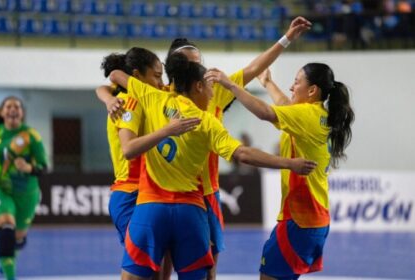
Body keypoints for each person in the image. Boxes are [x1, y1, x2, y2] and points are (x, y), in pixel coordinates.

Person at [109, 52, 317, 280]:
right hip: (190, 213)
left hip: (150, 209)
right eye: (209, 88)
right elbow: (244, 154)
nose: (212, 95)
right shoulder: (206, 121)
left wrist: (109, 99)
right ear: (198, 86)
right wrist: (289, 163)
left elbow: (117, 74)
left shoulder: (152, 96)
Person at [161, 17, 311, 280]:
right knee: (164, 263)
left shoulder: (213, 90)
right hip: (167, 193)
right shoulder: (160, 95)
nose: (200, 68)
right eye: (193, 64)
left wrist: (286, 38)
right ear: (176, 68)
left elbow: (254, 68)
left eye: (200, 62)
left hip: (207, 194)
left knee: (208, 267)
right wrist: (106, 96)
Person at [205, 52, 354, 279]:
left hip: (300, 219)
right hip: (314, 218)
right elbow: (285, 106)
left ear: (312, 91)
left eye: (297, 82)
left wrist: (230, 85)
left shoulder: (307, 115)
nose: (292, 87)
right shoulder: (319, 115)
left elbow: (266, 113)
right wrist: (267, 82)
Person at [97, 47, 197, 280]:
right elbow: (129, 149)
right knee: (139, 272)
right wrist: (167, 130)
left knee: (161, 265)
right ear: (137, 76)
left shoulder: (148, 99)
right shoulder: (129, 103)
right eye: (156, 75)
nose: (161, 82)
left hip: (151, 195)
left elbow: (107, 84)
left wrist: (105, 95)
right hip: (131, 192)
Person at [0, 96, 48, 280]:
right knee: (6, 227)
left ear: (22, 113)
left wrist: (29, 168)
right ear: (2, 113)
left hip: (27, 193)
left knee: (17, 239)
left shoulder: (31, 136)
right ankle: (10, 275)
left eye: (17, 106)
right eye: (8, 106)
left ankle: (7, 260)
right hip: (0, 190)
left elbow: (44, 167)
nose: (12, 109)